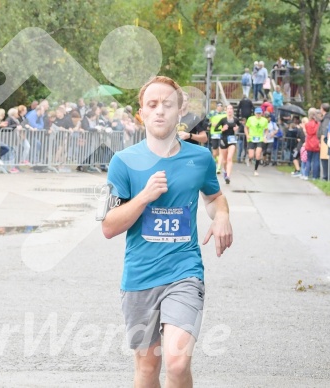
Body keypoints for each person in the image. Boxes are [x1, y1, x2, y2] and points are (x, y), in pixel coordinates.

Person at [102, 76, 232, 388]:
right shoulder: (123, 162)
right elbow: (109, 226)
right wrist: (144, 197)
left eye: (167, 104)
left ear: (180, 112)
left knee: (176, 362)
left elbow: (214, 197)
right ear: (141, 114)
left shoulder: (199, 158)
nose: (160, 111)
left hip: (184, 272)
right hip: (139, 277)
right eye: (152, 105)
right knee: (148, 368)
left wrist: (222, 215)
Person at [214, 105, 240, 184]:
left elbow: (240, 126)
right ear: (226, 110)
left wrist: (237, 128)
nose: (229, 110)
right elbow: (216, 129)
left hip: (232, 140)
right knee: (225, 161)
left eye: (231, 109)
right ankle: (225, 172)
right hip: (224, 140)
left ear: (233, 110)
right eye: (228, 109)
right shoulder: (223, 120)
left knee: (229, 158)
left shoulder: (235, 120)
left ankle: (228, 176)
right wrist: (222, 129)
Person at [245, 107, 268, 176]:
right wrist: (247, 135)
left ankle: (255, 170)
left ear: (262, 113)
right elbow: (246, 127)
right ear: (255, 113)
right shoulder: (250, 119)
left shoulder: (264, 120)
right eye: (257, 113)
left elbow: (266, 129)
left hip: (260, 139)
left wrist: (265, 136)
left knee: (258, 155)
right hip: (251, 138)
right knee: (251, 155)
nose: (258, 114)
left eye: (259, 113)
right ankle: (248, 158)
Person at [303, 108, 320, 180]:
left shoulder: (307, 124)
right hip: (316, 142)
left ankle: (306, 174)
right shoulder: (318, 124)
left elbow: (307, 133)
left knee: (308, 160)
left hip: (309, 143)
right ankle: (315, 176)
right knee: (316, 160)